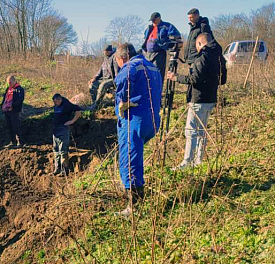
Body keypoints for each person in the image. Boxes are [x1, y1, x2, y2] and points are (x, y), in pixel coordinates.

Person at [114, 43, 162, 216]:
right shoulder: (152, 67)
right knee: (136, 156)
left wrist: (121, 101)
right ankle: (134, 189)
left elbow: (122, 80)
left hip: (134, 119)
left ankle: (133, 206)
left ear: (122, 58)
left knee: (129, 160)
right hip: (153, 119)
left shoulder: (130, 67)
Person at [167, 33, 222, 170]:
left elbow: (194, 79)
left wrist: (176, 77)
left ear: (199, 44)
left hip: (198, 99)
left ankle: (187, 162)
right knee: (201, 131)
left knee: (191, 131)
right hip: (210, 99)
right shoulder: (218, 56)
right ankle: (198, 161)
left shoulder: (203, 57)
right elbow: (223, 78)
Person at [51, 93, 82, 176]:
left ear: (59, 100)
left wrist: (72, 121)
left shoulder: (67, 105)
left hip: (63, 130)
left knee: (63, 150)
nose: (55, 104)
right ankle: (57, 168)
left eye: (56, 102)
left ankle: (64, 170)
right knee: (56, 149)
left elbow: (78, 110)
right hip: (56, 130)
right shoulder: (56, 105)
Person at [88, 45, 119, 110]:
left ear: (110, 51)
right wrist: (95, 78)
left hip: (113, 79)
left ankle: (96, 105)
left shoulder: (114, 58)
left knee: (103, 85)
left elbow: (117, 73)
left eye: (106, 52)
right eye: (104, 52)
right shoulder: (105, 59)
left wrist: (117, 83)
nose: (105, 53)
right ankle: (95, 102)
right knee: (92, 84)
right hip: (104, 79)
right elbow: (101, 70)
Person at [1, 75, 25, 147]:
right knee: (9, 126)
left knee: (15, 126)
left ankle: (20, 142)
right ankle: (12, 142)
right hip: (7, 110)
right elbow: (5, 98)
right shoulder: (8, 89)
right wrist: (2, 105)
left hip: (14, 111)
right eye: (8, 83)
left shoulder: (20, 89)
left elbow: (20, 100)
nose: (9, 84)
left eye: (10, 82)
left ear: (14, 81)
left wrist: (13, 106)